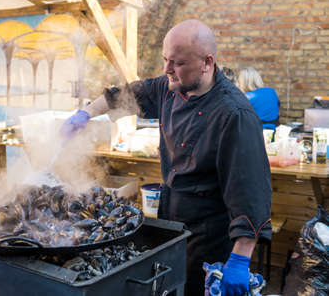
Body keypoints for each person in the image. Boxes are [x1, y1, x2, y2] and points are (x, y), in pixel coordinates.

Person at [61, 19, 272, 296]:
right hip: (169, 217)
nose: (166, 69)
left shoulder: (234, 115)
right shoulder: (168, 87)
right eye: (165, 60)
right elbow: (127, 94)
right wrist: (86, 113)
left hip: (208, 232)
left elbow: (251, 191)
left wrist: (240, 258)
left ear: (207, 63)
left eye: (178, 63)